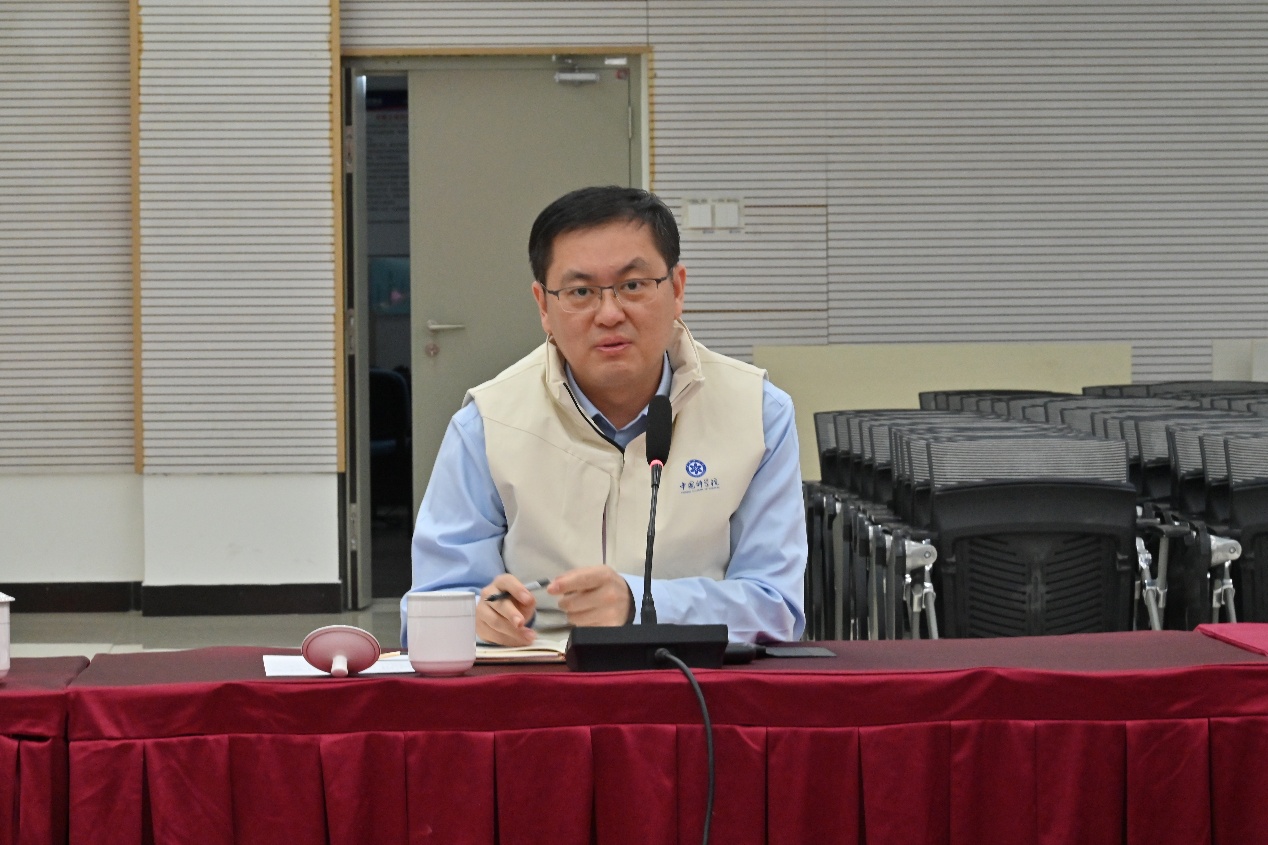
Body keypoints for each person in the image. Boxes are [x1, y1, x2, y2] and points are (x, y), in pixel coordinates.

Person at [400, 185, 806, 646]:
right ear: (543, 306)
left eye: (633, 286)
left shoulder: (757, 412)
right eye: (580, 291)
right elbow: (428, 607)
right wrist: (475, 617)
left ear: (676, 289)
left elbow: (777, 607)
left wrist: (640, 603)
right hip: (542, 680)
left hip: (696, 678)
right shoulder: (488, 422)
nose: (609, 314)